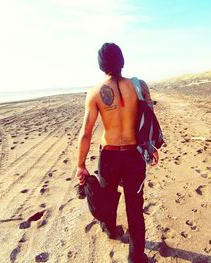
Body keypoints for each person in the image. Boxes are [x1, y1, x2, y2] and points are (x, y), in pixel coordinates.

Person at [75, 42, 159, 263]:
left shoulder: (94, 93)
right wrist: (151, 147)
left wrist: (80, 164)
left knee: (108, 197)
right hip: (134, 155)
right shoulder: (140, 86)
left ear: (101, 65)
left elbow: (86, 133)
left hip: (109, 156)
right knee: (135, 206)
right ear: (122, 61)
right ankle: (137, 257)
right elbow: (149, 119)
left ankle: (111, 229)